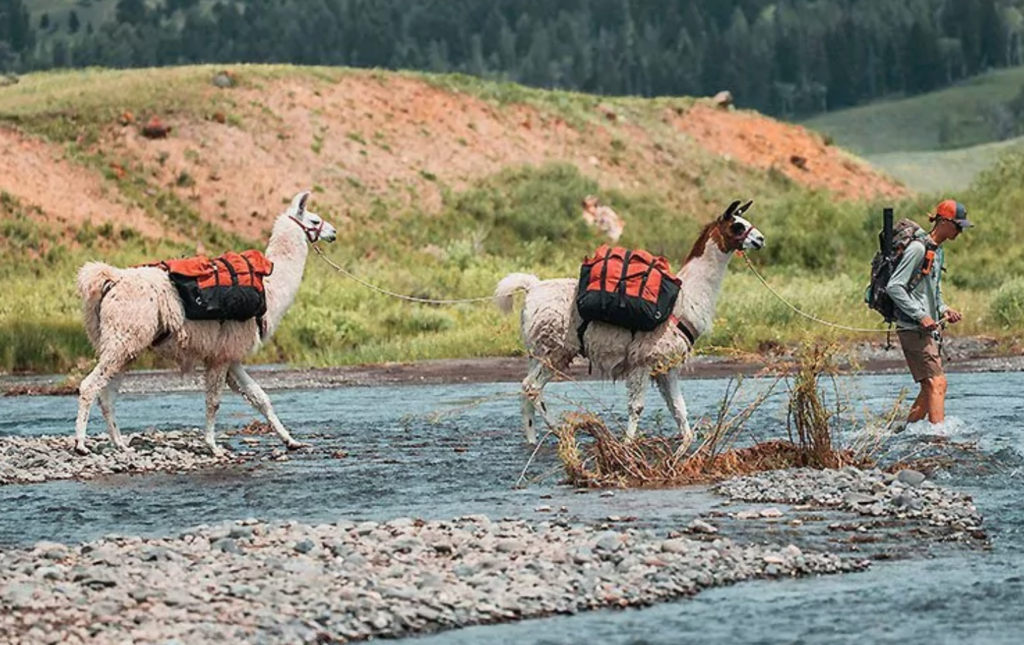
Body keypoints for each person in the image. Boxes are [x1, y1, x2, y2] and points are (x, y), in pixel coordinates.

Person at [886, 199, 972, 426]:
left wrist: (944, 309)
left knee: (928, 391)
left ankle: (902, 435)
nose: (960, 231)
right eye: (958, 225)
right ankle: (938, 441)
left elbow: (933, 291)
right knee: (938, 383)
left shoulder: (938, 251)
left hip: (928, 330)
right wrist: (921, 315)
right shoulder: (917, 249)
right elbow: (894, 286)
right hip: (913, 328)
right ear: (943, 221)